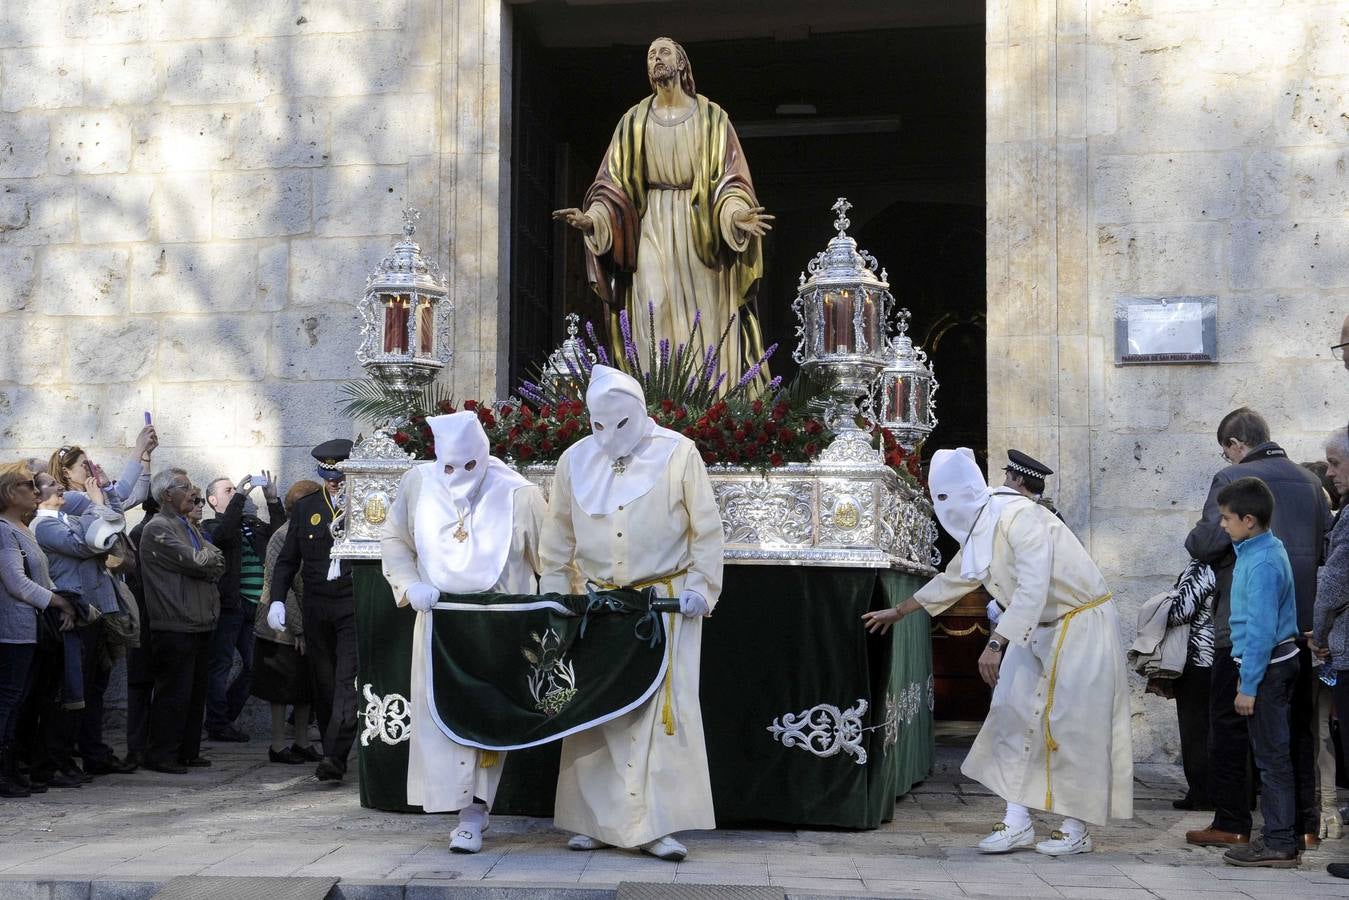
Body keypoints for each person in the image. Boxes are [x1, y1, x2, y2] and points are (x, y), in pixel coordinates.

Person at [863, 448, 1133, 857]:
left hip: (1079, 623)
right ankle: (1017, 821)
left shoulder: (1021, 517)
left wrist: (995, 643)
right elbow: (956, 576)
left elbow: (1032, 585)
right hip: (1034, 626)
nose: (945, 509)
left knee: (1073, 725)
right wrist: (901, 610)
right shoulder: (984, 523)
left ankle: (1076, 827)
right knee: (1011, 712)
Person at [538, 365, 723, 861]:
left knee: (655, 715)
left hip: (663, 603)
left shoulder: (679, 453)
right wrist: (556, 600)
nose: (608, 436)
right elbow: (556, 542)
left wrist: (701, 589)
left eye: (620, 423)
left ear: (641, 413)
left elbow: (706, 530)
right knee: (596, 710)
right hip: (597, 607)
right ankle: (595, 821)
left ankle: (654, 825)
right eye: (598, 425)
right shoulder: (573, 461)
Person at [552, 37, 773, 386]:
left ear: (682, 63)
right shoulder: (634, 120)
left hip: (700, 228)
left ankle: (704, 408)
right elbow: (613, 183)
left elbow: (730, 181)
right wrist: (593, 219)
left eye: (664, 52)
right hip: (651, 225)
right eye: (651, 55)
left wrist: (734, 215)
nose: (656, 58)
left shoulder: (712, 118)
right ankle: (657, 404)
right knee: (651, 309)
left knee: (703, 319)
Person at [381, 411, 546, 853]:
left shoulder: (519, 494)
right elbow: (395, 539)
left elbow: (550, 558)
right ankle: (457, 808)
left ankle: (475, 812)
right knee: (442, 717)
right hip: (438, 622)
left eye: (467, 466)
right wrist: (409, 583)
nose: (457, 476)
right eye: (448, 467)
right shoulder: (418, 484)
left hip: (498, 626)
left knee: (486, 719)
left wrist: (541, 615)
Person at [1184, 408, 1331, 851]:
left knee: (1230, 728)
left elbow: (1205, 542)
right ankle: (1302, 824)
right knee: (1297, 729)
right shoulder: (1311, 481)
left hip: (1245, 629)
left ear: (1234, 445)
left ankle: (1233, 821)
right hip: (1300, 629)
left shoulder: (1232, 478)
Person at [1214, 477, 1301, 868]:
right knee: (1269, 754)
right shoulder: (1254, 549)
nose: (1222, 525)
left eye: (1226, 518)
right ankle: (1278, 837)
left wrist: (1248, 685)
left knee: (1272, 758)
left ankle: (1280, 841)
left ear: (1249, 520)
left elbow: (1263, 629)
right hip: (1263, 665)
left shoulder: (1264, 560)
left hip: (1267, 669)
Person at [268, 439, 358, 783]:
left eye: (340, 475)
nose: (335, 482)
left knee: (345, 680)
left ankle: (334, 756)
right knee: (322, 683)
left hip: (351, 602)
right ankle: (333, 748)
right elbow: (288, 559)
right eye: (329, 475)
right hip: (317, 605)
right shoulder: (307, 507)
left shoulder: (365, 505)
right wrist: (277, 599)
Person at [139, 468, 225, 774]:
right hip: (175, 622)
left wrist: (205, 560)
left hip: (199, 621)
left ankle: (187, 751)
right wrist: (205, 560)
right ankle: (161, 754)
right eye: (185, 487)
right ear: (167, 495)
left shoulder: (188, 526)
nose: (193, 493)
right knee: (173, 693)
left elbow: (216, 559)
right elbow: (197, 560)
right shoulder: (158, 528)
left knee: (194, 693)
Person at [0, 467, 77, 797]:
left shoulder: (22, 528)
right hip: (13, 630)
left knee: (22, 703)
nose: (36, 490)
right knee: (9, 701)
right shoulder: (4, 531)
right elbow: (16, 583)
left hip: (31, 630)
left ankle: (14, 767)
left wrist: (67, 602)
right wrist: (58, 602)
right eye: (28, 485)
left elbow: (40, 577)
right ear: (7, 491)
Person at [202, 472, 283, 743]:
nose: (237, 492)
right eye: (229, 490)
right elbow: (223, 537)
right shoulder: (210, 526)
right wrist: (240, 497)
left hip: (256, 607)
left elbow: (281, 539)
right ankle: (217, 723)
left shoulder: (251, 524)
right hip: (229, 606)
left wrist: (272, 500)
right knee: (221, 665)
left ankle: (223, 719)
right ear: (213, 500)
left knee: (254, 667)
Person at [252, 480, 320, 766]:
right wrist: (299, 628)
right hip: (280, 629)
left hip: (306, 621)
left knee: (305, 688)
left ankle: (302, 740)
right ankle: (279, 744)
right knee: (280, 688)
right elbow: (281, 585)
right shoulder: (283, 535)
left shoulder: (309, 530)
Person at [1162, 559, 1217, 811]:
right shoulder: (1237, 559)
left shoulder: (1202, 567)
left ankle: (1202, 793)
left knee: (1195, 729)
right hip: (1225, 656)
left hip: (1199, 658)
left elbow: (1181, 611)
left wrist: (1166, 602)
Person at [1002, 449, 1063, 520]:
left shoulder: (1019, 514)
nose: (1004, 484)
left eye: (1007, 478)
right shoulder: (1053, 515)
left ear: (1019, 480)